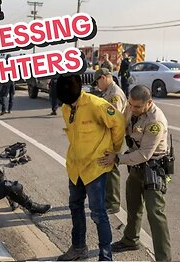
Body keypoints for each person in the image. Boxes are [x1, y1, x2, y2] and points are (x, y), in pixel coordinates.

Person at [97, 85, 172, 261]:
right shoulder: (131, 109)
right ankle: (130, 240)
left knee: (155, 213)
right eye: (130, 104)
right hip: (136, 168)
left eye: (137, 106)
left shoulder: (155, 121)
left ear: (149, 103)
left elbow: (145, 154)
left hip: (153, 168)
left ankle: (164, 258)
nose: (132, 108)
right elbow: (121, 125)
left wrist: (117, 158)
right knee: (133, 206)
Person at [55, 74, 125, 261]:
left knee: (98, 213)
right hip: (75, 167)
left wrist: (114, 152)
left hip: (95, 167)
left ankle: (105, 257)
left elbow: (118, 123)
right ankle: (78, 248)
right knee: (75, 207)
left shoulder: (96, 104)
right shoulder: (65, 108)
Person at [92, 68, 128, 214]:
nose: (97, 85)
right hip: (109, 136)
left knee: (111, 168)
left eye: (97, 82)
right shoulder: (109, 92)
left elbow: (115, 120)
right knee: (106, 168)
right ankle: (108, 199)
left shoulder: (114, 95)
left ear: (104, 78)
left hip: (114, 137)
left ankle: (113, 203)